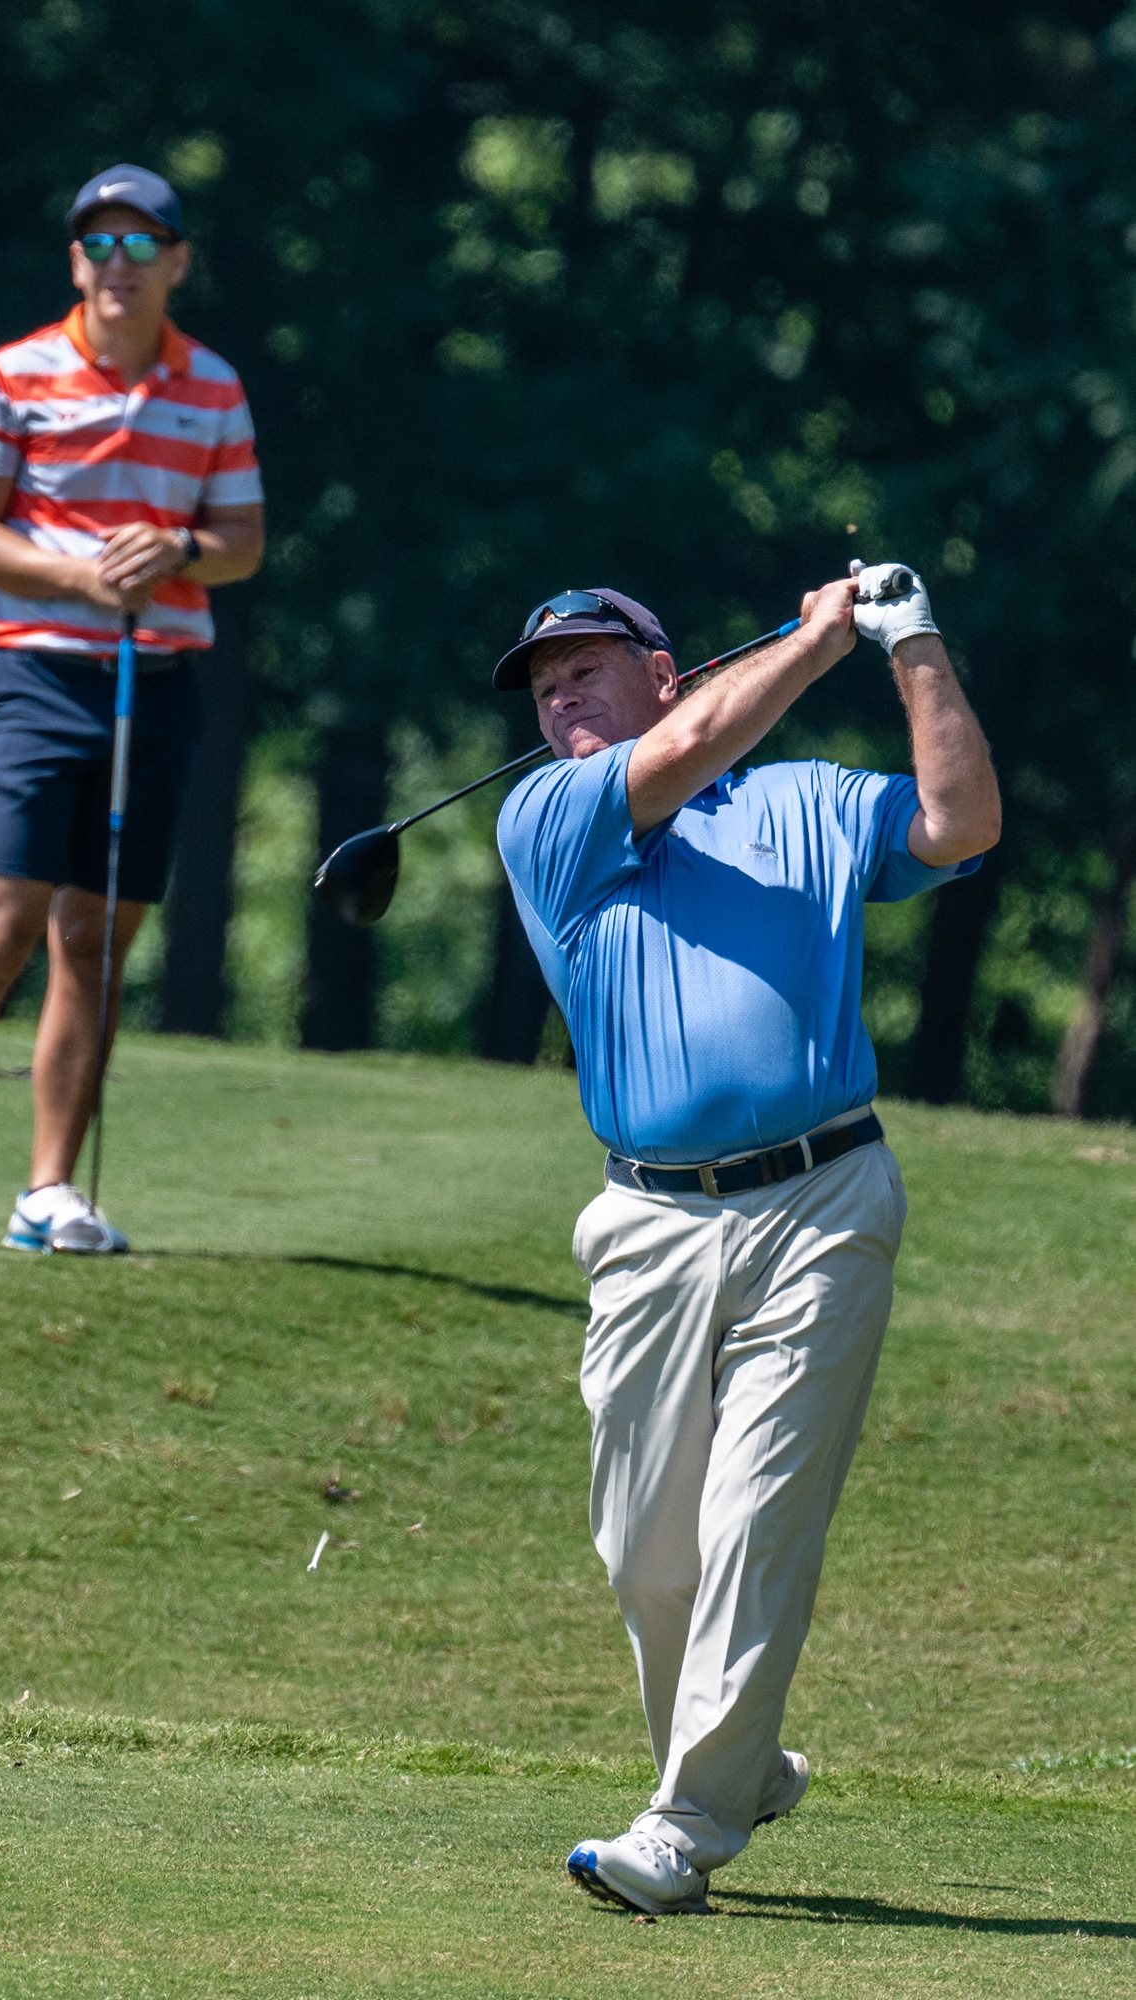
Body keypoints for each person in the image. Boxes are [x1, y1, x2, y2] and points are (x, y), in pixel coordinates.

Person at [492, 566, 1000, 1914]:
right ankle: (743, 1759)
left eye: (586, 671)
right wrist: (820, 636)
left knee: (756, 1518)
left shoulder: (806, 800)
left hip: (822, 1203)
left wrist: (910, 646)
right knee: (645, 1553)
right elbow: (692, 746)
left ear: (663, 672)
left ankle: (687, 1827)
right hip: (649, 1220)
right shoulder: (548, 815)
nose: (559, 701)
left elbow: (958, 821)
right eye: (544, 688)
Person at [0, 164, 263, 1255]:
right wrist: (83, 576)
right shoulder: (12, 375)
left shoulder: (212, 386)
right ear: (75, 262)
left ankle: (49, 1193)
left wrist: (176, 548)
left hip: (155, 682)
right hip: (34, 680)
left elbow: (241, 544)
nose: (117, 265)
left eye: (141, 246)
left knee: (93, 942)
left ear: (177, 262)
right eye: (99, 245)